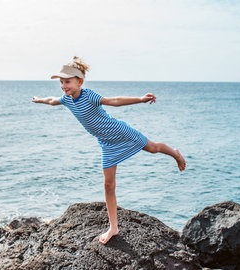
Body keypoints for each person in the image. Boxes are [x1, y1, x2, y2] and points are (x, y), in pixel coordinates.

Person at [32, 56, 186, 244]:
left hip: (122, 132)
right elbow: (51, 101)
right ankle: (113, 227)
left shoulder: (89, 96)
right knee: (108, 185)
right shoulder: (66, 100)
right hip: (106, 143)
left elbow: (114, 100)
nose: (64, 86)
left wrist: (140, 99)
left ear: (80, 82)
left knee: (153, 148)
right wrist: (39, 100)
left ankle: (175, 154)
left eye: (68, 82)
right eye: (61, 82)